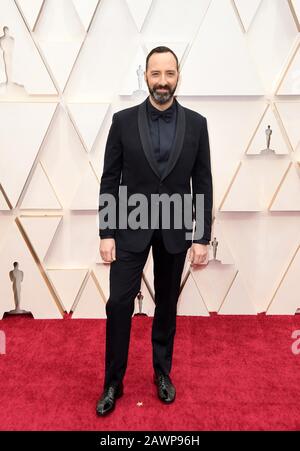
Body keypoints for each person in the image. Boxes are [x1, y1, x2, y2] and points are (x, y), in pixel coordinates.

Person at [96, 46, 213, 416]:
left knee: (166, 305)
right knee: (118, 304)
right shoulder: (122, 121)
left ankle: (162, 373)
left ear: (178, 76)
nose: (163, 81)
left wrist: (201, 235)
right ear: (144, 76)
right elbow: (110, 178)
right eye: (155, 74)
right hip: (129, 227)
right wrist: (106, 231)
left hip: (176, 229)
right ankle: (113, 382)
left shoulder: (197, 124)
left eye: (170, 74)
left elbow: (203, 182)